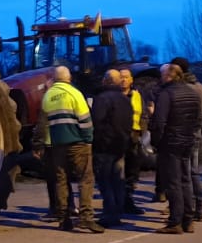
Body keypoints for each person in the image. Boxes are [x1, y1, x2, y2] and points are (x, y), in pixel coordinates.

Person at [40, 66, 105, 233]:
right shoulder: (74, 93)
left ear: (54, 79)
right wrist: (88, 139)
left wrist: (41, 144)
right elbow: (85, 120)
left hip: (57, 146)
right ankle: (86, 218)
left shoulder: (48, 96)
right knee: (85, 179)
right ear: (69, 78)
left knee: (61, 181)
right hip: (77, 143)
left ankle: (63, 218)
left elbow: (43, 125)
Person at [150, 62, 202, 233]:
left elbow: (159, 122)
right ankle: (188, 219)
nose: (160, 78)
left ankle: (175, 222)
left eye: (162, 75)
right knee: (185, 179)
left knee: (173, 182)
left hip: (171, 142)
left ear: (168, 76)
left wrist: (156, 142)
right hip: (188, 141)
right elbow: (198, 120)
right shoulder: (193, 93)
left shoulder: (166, 94)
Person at [89, 69, 134, 226]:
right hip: (121, 145)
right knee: (118, 180)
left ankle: (110, 213)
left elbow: (96, 122)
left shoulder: (102, 99)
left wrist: (96, 142)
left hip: (105, 146)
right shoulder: (125, 99)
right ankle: (117, 211)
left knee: (105, 180)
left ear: (106, 81)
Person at [170, 57, 202, 220]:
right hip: (196, 133)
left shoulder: (180, 89)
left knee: (183, 173)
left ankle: (185, 207)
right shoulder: (201, 87)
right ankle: (199, 207)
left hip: (183, 135)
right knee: (193, 171)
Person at [117, 69, 147, 215]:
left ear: (131, 80)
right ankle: (117, 203)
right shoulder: (113, 96)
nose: (123, 80)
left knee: (132, 172)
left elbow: (143, 115)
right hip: (118, 138)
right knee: (118, 172)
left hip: (133, 138)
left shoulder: (137, 96)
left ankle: (128, 201)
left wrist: (141, 131)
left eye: (126, 77)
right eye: (121, 77)